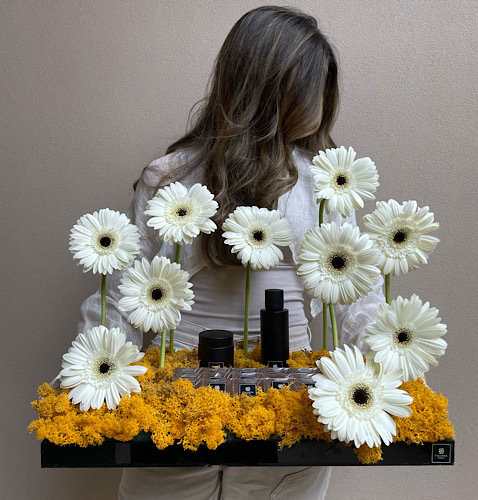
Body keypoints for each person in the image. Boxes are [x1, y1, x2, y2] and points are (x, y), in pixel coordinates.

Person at [79, 6, 384, 499]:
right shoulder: (171, 179)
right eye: (312, 90)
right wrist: (94, 381)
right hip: (178, 398)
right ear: (271, 89)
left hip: (291, 393)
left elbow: (355, 298)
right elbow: (123, 293)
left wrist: (383, 374)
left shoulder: (328, 186)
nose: (321, 105)